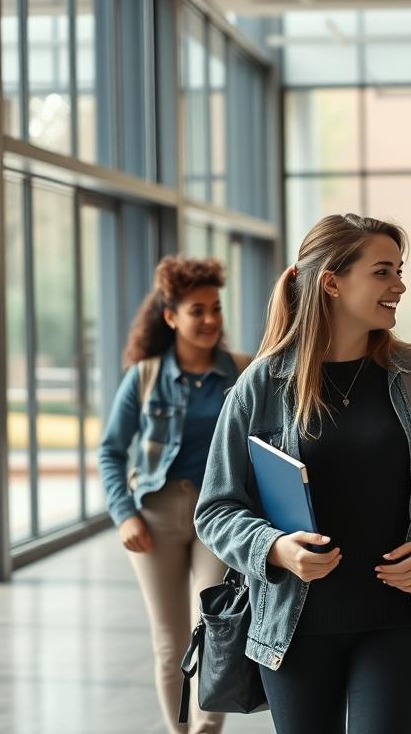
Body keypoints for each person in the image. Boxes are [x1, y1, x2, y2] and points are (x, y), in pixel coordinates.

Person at [194, 214, 411, 734]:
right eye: (383, 272)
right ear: (332, 282)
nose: (399, 285)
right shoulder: (262, 385)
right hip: (294, 626)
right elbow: (217, 508)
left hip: (401, 622)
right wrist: (274, 548)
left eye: (399, 271)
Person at [98, 256, 251, 734]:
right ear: (170, 317)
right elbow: (110, 452)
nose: (209, 320)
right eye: (196, 310)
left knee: (217, 633)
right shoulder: (143, 377)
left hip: (219, 515)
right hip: (154, 518)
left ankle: (206, 732)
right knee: (169, 643)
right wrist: (125, 515)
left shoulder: (243, 373)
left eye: (216, 309)